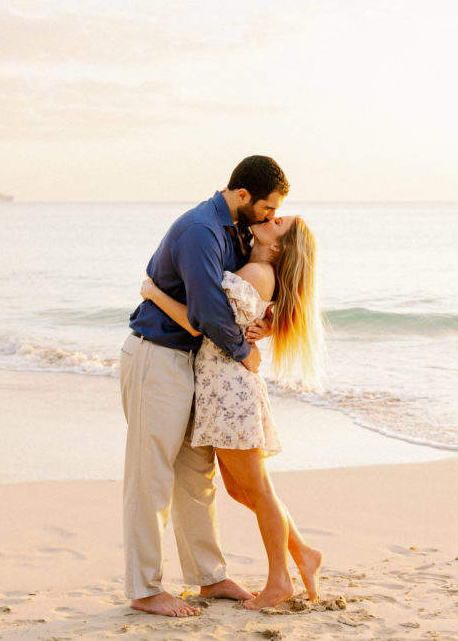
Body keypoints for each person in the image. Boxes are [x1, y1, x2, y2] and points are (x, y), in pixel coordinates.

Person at [119, 156, 289, 617]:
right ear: (241, 196)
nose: (271, 218)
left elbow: (246, 299)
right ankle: (144, 588)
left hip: (195, 366)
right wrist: (245, 351)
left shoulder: (235, 230)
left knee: (197, 476)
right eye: (268, 209)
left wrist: (266, 327)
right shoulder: (202, 231)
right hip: (159, 357)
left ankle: (209, 578)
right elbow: (208, 314)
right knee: (150, 474)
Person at [140, 213, 324, 610]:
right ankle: (304, 553)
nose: (270, 218)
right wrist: (268, 325)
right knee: (242, 489)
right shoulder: (253, 268)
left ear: (276, 246)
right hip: (222, 386)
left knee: (258, 489)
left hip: (229, 389)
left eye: (278, 223)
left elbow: (199, 321)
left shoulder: (257, 272)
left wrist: (154, 293)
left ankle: (280, 580)